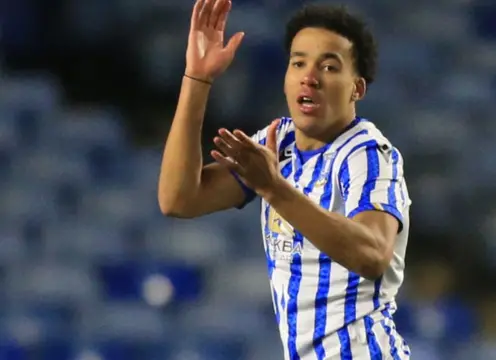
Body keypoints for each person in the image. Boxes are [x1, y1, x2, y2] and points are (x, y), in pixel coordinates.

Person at [158, 0, 412, 358]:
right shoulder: (278, 142)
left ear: (357, 88)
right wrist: (197, 79)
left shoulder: (367, 153)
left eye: (328, 66)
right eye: (298, 63)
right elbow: (178, 199)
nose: (310, 75)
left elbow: (372, 255)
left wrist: (273, 188)